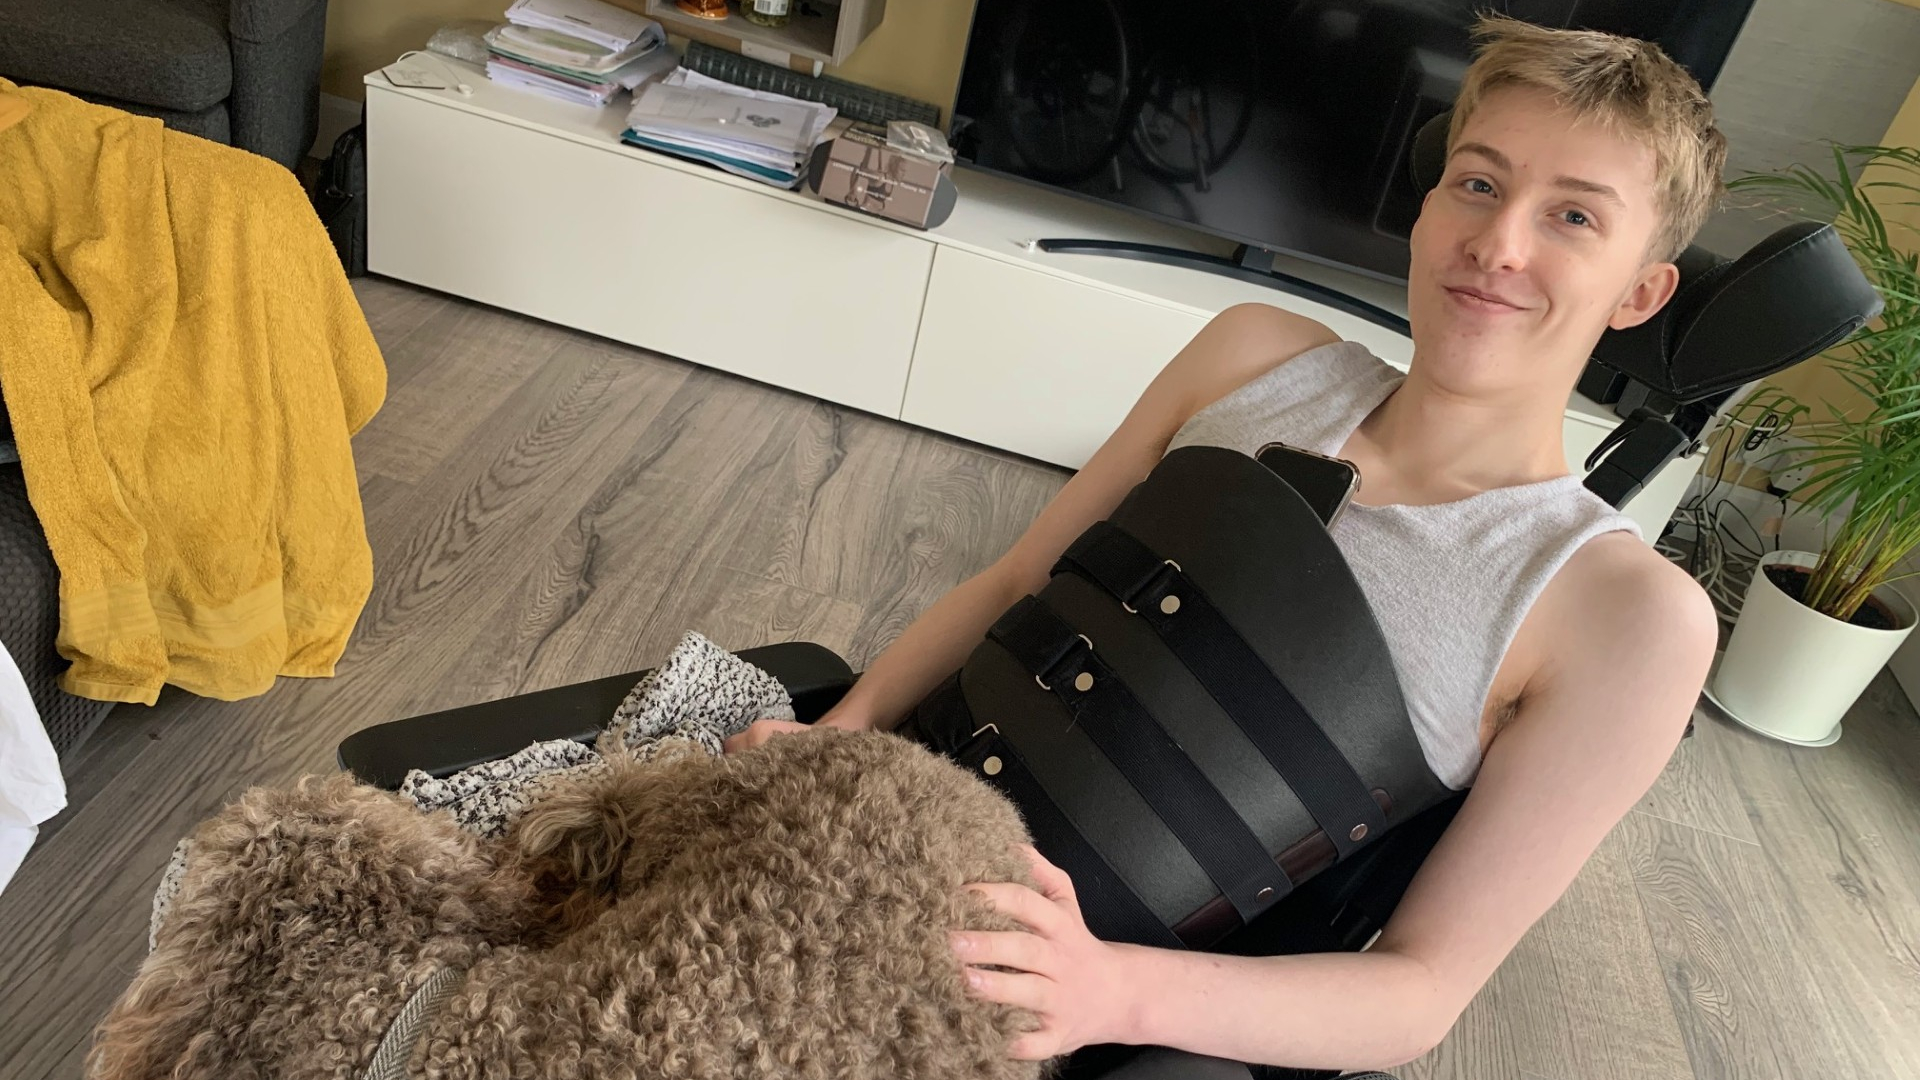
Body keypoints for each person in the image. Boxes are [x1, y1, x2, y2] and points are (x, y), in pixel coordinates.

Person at [726, 14, 1724, 1075]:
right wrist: (843, 729)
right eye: (1478, 183)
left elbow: (1420, 992)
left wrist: (1107, 990)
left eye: (1573, 216)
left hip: (1025, 1013)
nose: (1499, 244)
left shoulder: (1623, 616)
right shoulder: (1252, 356)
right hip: (869, 818)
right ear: (1428, 207)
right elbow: (1022, 577)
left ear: (1639, 291)